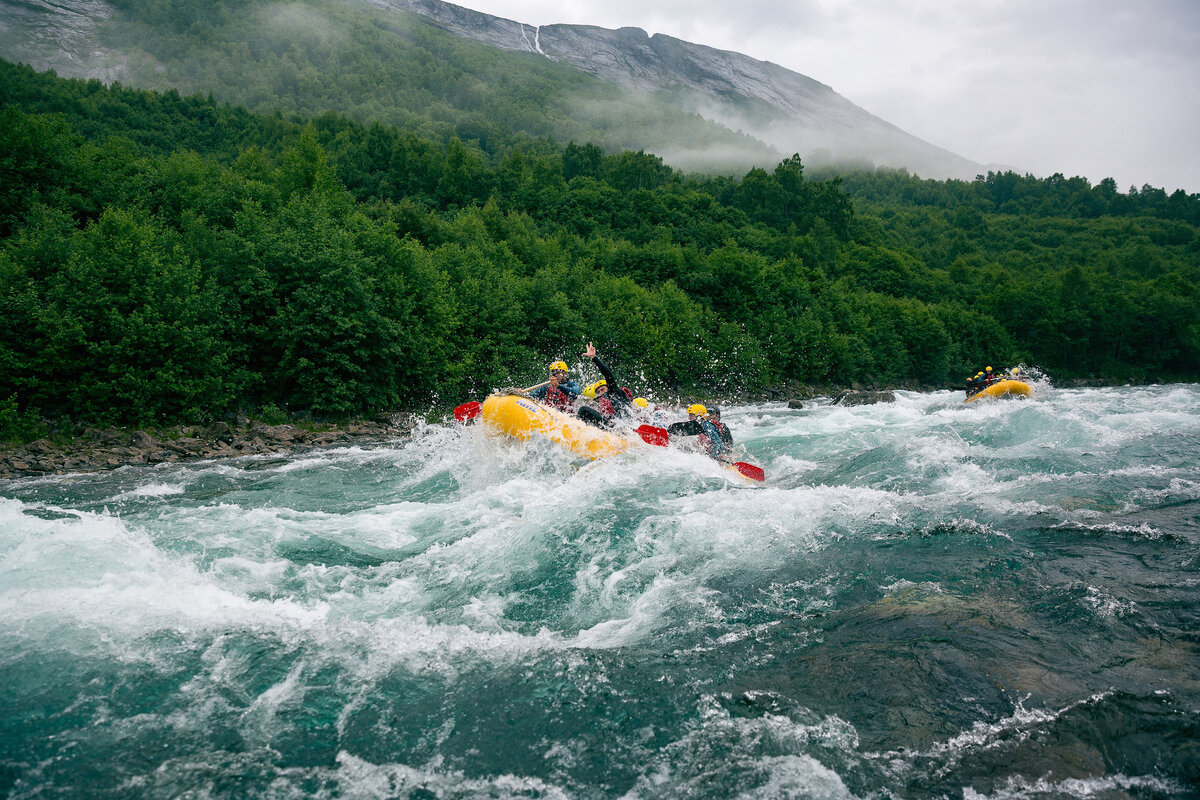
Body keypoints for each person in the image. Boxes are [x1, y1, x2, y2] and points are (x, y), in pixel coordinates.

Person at [577, 342, 635, 428]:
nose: (600, 392)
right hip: (612, 425)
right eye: (598, 391)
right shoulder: (601, 403)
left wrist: (594, 358)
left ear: (608, 387)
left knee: (583, 410)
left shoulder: (614, 392)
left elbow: (608, 374)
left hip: (623, 424)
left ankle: (576, 428)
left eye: (602, 389)